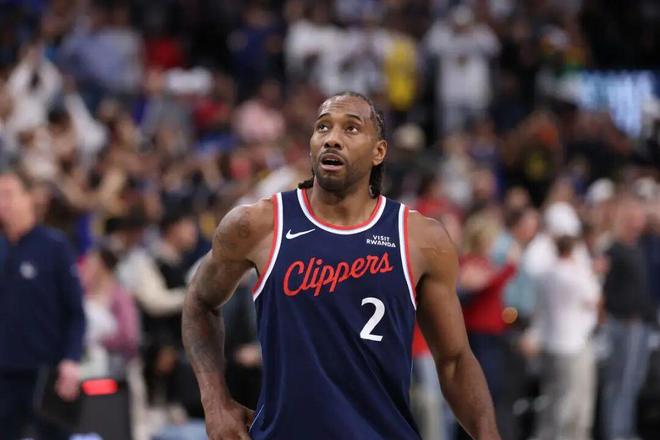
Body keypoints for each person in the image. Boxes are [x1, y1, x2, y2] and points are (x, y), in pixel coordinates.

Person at [182, 92, 500, 439]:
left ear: (379, 151)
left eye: (351, 128)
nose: (332, 138)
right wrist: (215, 402)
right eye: (323, 127)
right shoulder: (257, 225)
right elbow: (199, 301)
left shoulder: (420, 239)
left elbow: (454, 361)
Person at [0, 168, 86, 440]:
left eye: (8, 194)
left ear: (29, 198)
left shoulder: (54, 246)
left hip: (46, 372)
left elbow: (76, 312)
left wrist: (71, 359)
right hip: (4, 374)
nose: (2, 203)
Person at [533, 235, 600, 440]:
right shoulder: (577, 275)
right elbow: (594, 301)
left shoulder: (546, 274)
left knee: (551, 395)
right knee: (571, 398)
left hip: (550, 342)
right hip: (573, 344)